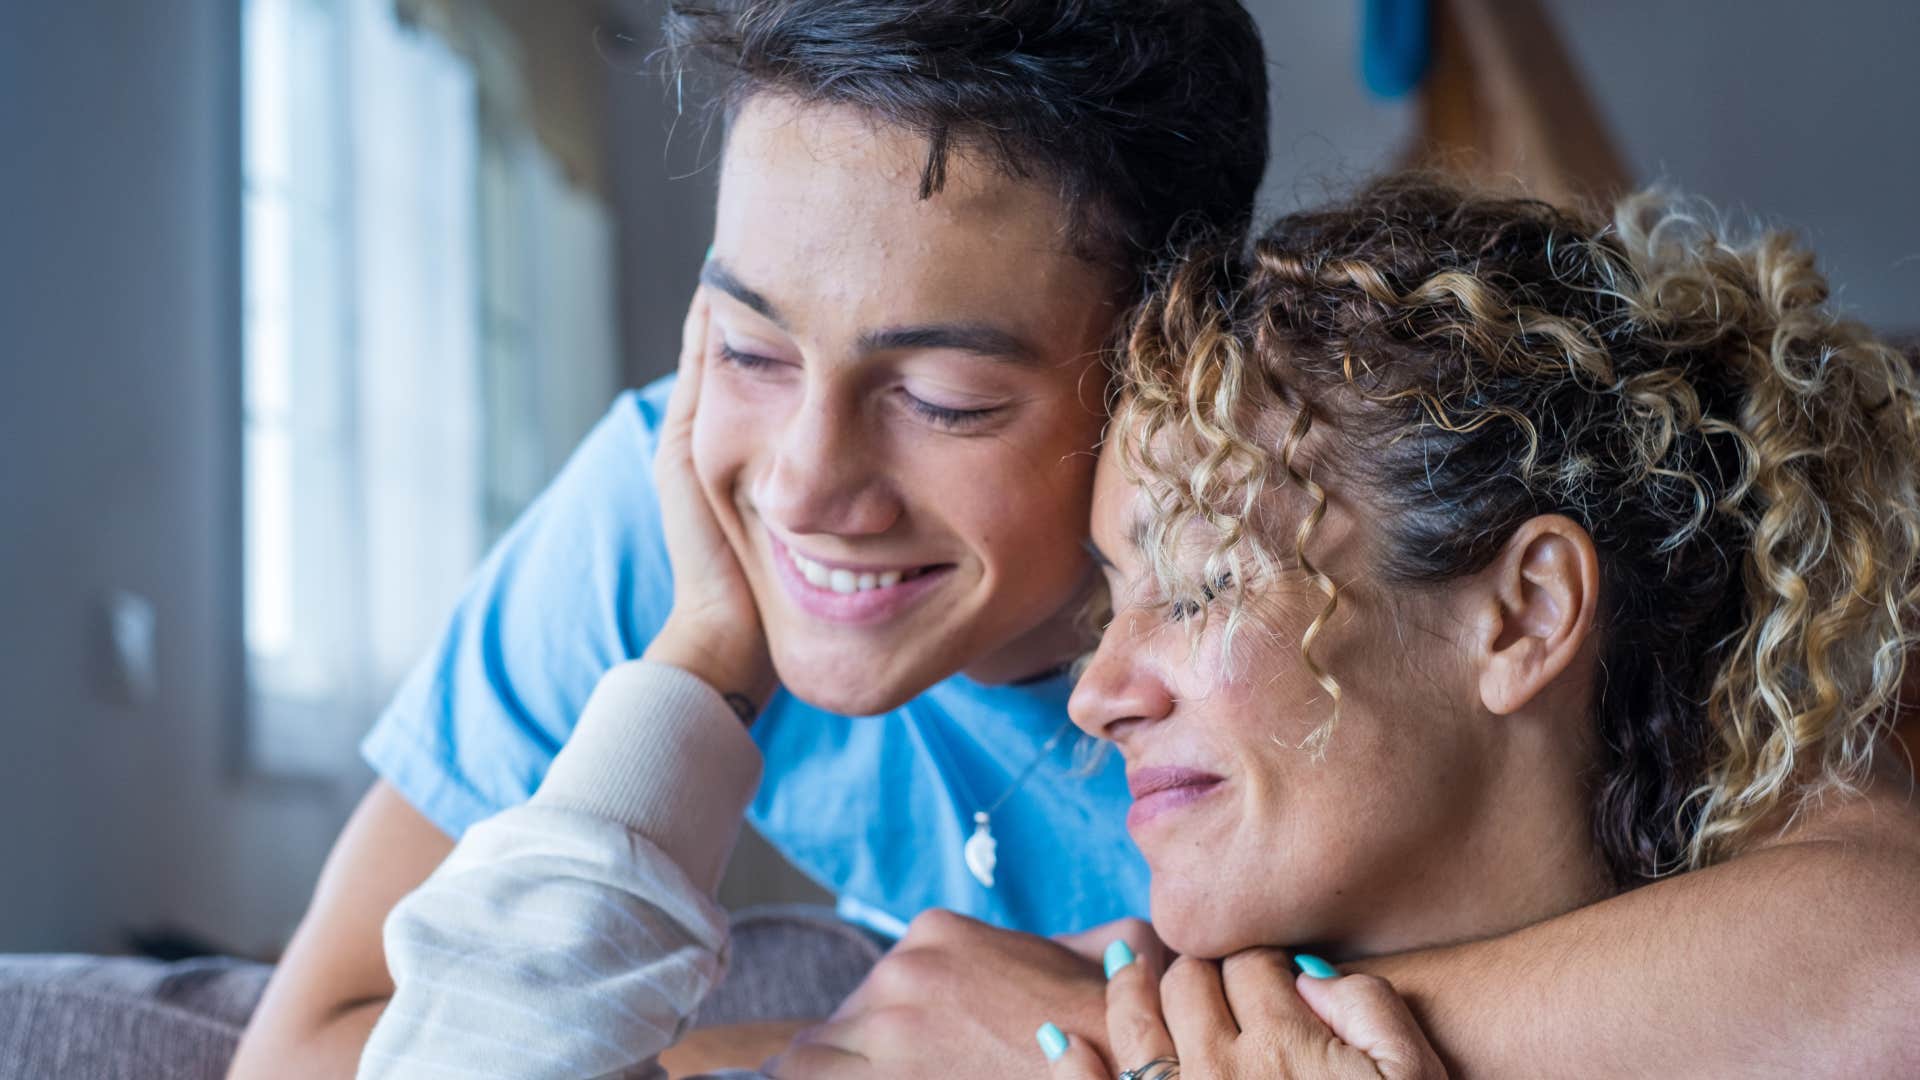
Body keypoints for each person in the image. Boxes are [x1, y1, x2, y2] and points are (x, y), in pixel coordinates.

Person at [357, 175, 1920, 1080]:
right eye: (1116, 596)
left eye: (1203, 578)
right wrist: (701, 659)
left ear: (1522, 612)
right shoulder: (1006, 1017)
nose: (1095, 694)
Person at [229, 1, 1272, 1075]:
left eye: (943, 398)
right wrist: (702, 658)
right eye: (749, 348)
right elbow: (303, 1049)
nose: (803, 487)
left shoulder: (1315, 607)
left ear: (1171, 370)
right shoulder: (676, 505)